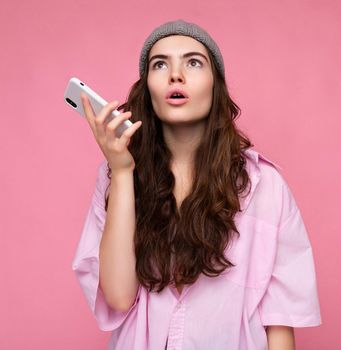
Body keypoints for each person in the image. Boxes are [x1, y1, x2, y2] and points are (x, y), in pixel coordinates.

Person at [71, 19, 321, 350]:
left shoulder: (265, 186)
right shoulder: (116, 176)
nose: (176, 75)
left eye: (193, 62)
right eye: (160, 64)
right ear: (147, 88)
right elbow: (118, 296)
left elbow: (280, 323)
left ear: (216, 84)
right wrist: (121, 172)